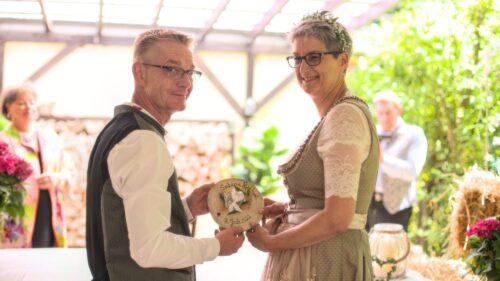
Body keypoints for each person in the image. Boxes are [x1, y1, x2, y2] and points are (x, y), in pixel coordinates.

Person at [85, 28, 244, 281]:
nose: (185, 82)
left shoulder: (120, 128)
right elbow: (149, 249)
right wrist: (216, 247)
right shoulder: (142, 140)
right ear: (140, 72)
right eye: (171, 69)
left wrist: (185, 209)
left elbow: (126, 222)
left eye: (189, 71)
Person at [246, 11, 379, 281]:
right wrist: (289, 209)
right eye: (297, 58)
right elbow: (331, 203)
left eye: (314, 57)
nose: (303, 68)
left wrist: (270, 243)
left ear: (343, 61)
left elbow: (338, 218)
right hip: (315, 256)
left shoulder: (344, 116)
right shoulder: (336, 114)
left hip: (324, 261)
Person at [0, 85, 71, 248]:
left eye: (31, 102)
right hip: (16, 221)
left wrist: (56, 179)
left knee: (48, 267)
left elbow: (69, 171)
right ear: (8, 108)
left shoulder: (50, 139)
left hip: (49, 218)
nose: (28, 107)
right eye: (21, 103)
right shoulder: (3, 142)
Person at [366, 90, 427, 232]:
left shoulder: (414, 134)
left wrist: (382, 158)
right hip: (368, 204)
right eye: (380, 113)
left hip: (396, 208)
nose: (384, 118)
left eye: (388, 113)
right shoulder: (372, 132)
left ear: (399, 110)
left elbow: (412, 172)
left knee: (390, 253)